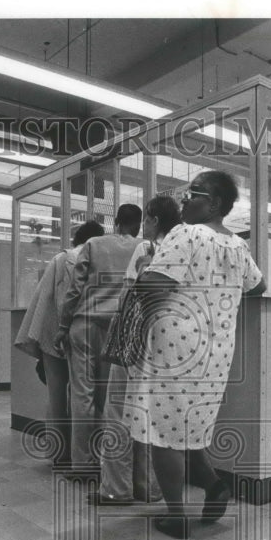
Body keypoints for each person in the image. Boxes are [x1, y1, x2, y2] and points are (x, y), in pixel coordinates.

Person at [124, 171, 266, 538]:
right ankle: (215, 485)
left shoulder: (185, 234)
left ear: (215, 204)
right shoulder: (237, 244)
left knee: (161, 433)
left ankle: (176, 515)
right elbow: (259, 285)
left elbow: (154, 286)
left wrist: (142, 272)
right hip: (215, 352)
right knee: (188, 430)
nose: (183, 201)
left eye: (193, 194)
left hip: (175, 349)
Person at [87, 196, 182, 506]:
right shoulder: (184, 248)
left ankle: (116, 488)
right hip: (167, 344)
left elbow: (130, 293)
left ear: (152, 220)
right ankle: (151, 489)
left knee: (117, 412)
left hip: (136, 340)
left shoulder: (148, 248)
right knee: (153, 416)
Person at [55, 205, 143, 477]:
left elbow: (74, 289)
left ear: (116, 222)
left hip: (84, 324)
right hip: (118, 328)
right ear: (139, 224)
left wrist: (62, 326)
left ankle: (82, 465)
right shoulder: (145, 248)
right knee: (109, 399)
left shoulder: (93, 244)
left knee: (82, 394)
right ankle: (107, 465)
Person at [15, 220, 104, 467]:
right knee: (85, 397)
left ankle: (59, 455)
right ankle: (87, 456)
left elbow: (44, 301)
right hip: (86, 337)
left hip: (54, 337)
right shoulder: (101, 261)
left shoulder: (61, 259)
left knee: (56, 399)